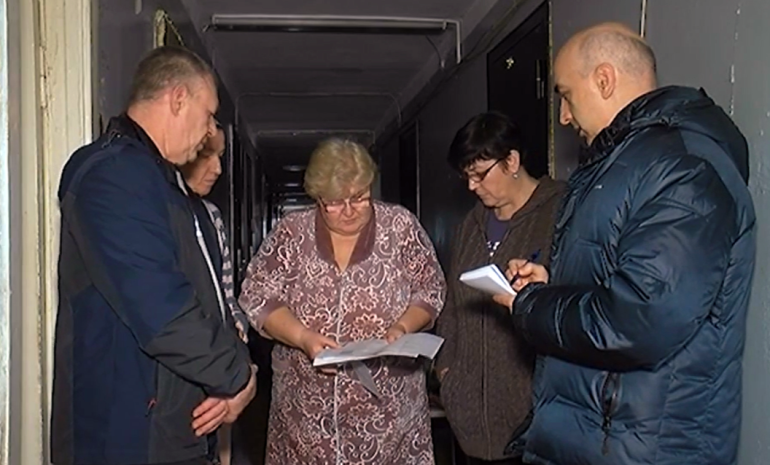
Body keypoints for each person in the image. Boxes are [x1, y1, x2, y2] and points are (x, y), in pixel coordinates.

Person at [493, 23, 756, 465]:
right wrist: (550, 284)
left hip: (646, 448)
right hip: (600, 440)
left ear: (604, 80)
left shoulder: (683, 167)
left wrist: (531, 305)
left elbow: (639, 319)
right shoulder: (622, 165)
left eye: (566, 95)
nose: (563, 116)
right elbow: (618, 281)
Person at [52, 46, 257, 465]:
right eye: (208, 115)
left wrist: (231, 372)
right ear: (178, 99)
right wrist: (237, 375)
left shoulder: (161, 183)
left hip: (170, 430)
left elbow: (204, 302)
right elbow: (164, 312)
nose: (209, 131)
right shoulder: (113, 175)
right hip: (126, 435)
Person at [238, 138, 447, 464]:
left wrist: (403, 326)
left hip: (389, 413)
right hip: (305, 413)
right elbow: (257, 294)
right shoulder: (292, 232)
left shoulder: (400, 226)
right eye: (334, 203)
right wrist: (302, 337)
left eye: (360, 198)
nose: (349, 210)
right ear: (317, 198)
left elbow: (430, 288)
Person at [433, 112, 565, 464]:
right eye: (466, 176)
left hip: (536, 423)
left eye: (479, 174)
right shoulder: (469, 226)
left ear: (512, 161)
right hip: (469, 423)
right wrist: (447, 372)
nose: (471, 186)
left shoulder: (562, 212)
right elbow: (453, 306)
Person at [180, 127, 250, 465]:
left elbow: (227, 295)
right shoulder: (161, 217)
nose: (218, 169)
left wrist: (238, 339)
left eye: (220, 157)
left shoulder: (212, 217)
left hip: (222, 369)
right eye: (208, 155)